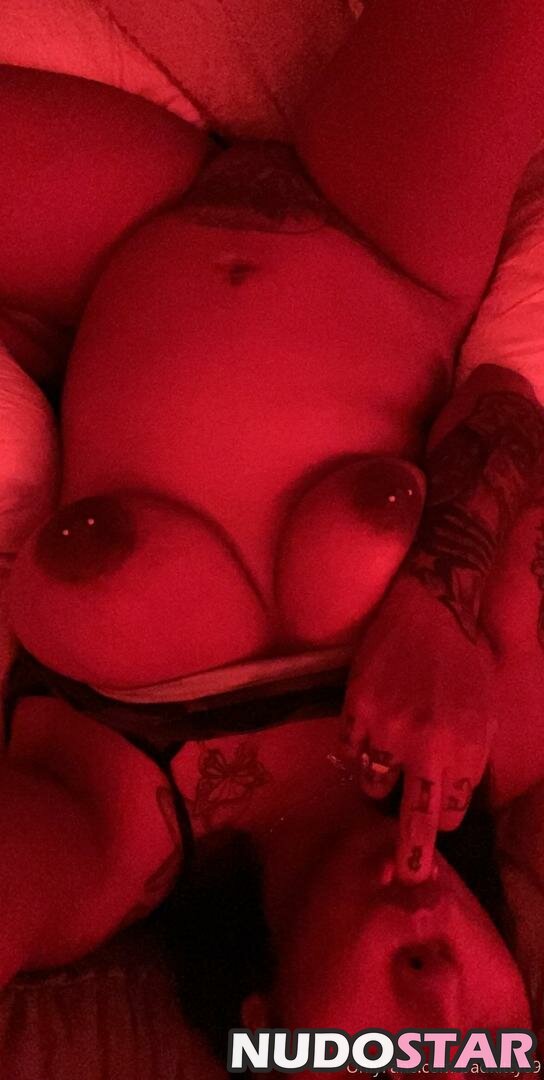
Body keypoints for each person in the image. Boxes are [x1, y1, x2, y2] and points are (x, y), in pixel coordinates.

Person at [0, 0, 544, 1067]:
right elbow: (503, 407)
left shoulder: (115, 846)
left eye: (389, 1057)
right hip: (388, 237)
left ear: (269, 1035)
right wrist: (438, 603)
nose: (437, 993)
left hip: (121, 238)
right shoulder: (506, 736)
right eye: (486, 1036)